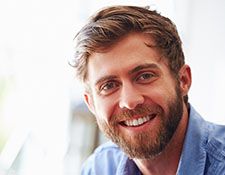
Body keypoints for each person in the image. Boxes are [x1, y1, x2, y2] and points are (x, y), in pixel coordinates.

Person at [69, 5, 225, 175]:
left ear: (183, 80)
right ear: (91, 104)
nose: (129, 102)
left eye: (145, 76)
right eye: (108, 86)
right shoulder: (98, 168)